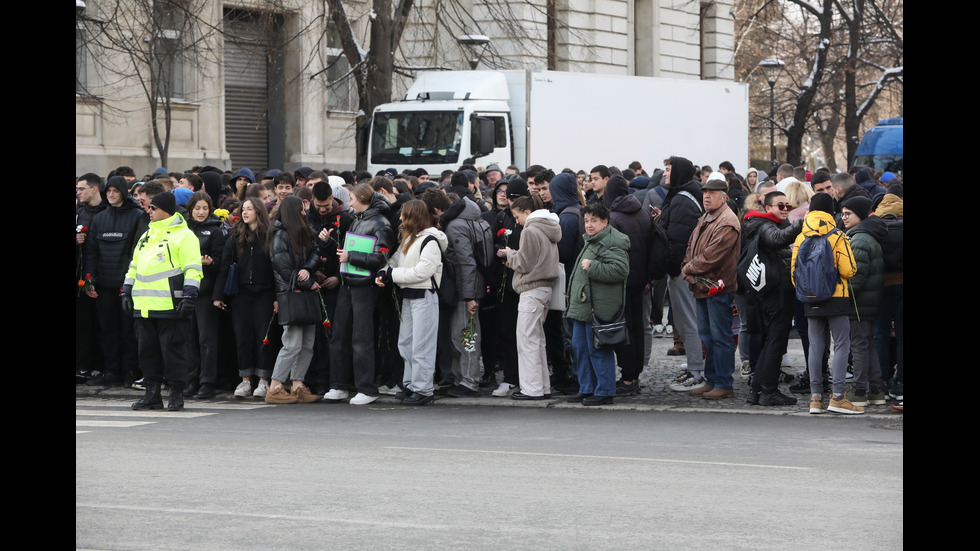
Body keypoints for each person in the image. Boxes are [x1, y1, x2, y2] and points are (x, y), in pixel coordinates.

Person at [124, 192, 203, 411]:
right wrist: (126, 290)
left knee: (174, 354)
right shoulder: (146, 235)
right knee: (147, 354)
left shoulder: (185, 236)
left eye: (153, 208)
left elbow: (193, 268)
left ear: (166, 210)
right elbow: (134, 266)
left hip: (171, 306)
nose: (148, 211)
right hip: (145, 307)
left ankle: (176, 395)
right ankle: (152, 395)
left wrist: (189, 295)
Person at [324, 184, 395, 405]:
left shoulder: (381, 223)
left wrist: (350, 256)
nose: (349, 202)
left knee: (361, 338)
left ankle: (367, 387)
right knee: (339, 336)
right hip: (348, 282)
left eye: (352, 198)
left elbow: (381, 258)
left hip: (365, 286)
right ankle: (339, 384)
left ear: (363, 198)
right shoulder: (359, 219)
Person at [791, 192, 860, 415]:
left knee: (815, 346)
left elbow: (794, 274)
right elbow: (849, 270)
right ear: (831, 211)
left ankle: (815, 398)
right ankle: (838, 397)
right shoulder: (837, 235)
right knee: (841, 344)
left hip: (810, 298)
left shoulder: (801, 237)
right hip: (836, 296)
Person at [375, 200, 447, 406]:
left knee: (421, 344)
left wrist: (391, 274)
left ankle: (423, 389)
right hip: (409, 295)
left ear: (413, 216)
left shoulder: (430, 240)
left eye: (404, 215)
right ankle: (411, 384)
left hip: (424, 296)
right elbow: (395, 260)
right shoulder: (410, 239)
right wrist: (384, 271)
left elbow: (423, 272)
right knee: (406, 342)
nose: (399, 218)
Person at [680, 178, 741, 400]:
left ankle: (724, 383)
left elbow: (713, 256)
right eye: (705, 192)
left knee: (720, 336)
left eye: (712, 193)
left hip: (718, 287)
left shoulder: (727, 221)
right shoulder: (706, 216)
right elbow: (691, 245)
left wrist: (688, 268)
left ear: (723, 197)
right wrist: (688, 267)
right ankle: (713, 380)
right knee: (707, 335)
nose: (706, 196)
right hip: (703, 285)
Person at [741, 191, 803, 406]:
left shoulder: (756, 223)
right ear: (768, 208)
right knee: (776, 343)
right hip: (776, 294)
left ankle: (757, 390)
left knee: (770, 343)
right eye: (780, 205)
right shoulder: (765, 225)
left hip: (766, 293)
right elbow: (777, 239)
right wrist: (801, 224)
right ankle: (769, 391)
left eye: (787, 205)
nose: (785, 209)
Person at [564, 204, 630, 406]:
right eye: (586, 221)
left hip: (599, 308)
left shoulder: (612, 242)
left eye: (594, 220)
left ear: (605, 222)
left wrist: (593, 266)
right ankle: (587, 388)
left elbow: (621, 270)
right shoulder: (592, 240)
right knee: (580, 348)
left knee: (598, 350)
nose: (589, 225)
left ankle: (605, 390)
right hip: (584, 306)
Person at [213, 198, 276, 399]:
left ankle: (263, 379)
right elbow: (225, 266)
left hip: (265, 293)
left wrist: (276, 297)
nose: (245, 212)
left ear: (259, 211)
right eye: (244, 209)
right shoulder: (235, 235)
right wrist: (218, 294)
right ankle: (245, 380)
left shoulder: (269, 235)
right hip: (240, 294)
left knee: (263, 338)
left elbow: (276, 269)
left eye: (250, 208)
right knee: (242, 337)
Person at [500, 195, 561, 400]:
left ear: (526, 212)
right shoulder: (548, 227)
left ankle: (532, 389)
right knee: (537, 340)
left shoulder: (531, 229)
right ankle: (541, 387)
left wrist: (510, 254)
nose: (516, 221)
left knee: (527, 341)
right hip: (544, 288)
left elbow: (524, 263)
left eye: (517, 216)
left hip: (532, 289)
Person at [266, 195, 322, 404]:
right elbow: (283, 267)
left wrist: (308, 269)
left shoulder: (305, 230)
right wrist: (307, 281)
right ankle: (275, 386)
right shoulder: (280, 234)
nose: (304, 212)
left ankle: (297, 384)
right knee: (292, 343)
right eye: (301, 208)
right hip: (291, 293)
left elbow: (315, 252)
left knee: (307, 343)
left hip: (304, 292)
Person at [840, 196, 887, 408]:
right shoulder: (868, 235)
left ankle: (859, 391)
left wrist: (840, 296)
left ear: (860, 214)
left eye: (848, 213)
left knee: (859, 346)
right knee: (867, 344)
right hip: (867, 303)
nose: (843, 217)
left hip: (858, 305)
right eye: (842, 213)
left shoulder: (859, 239)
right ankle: (876, 390)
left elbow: (855, 278)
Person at [184, 191, 227, 399]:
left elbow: (222, 262)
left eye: (205, 208)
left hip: (206, 291)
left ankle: (207, 381)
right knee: (188, 338)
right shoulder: (183, 229)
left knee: (207, 339)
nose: (201, 212)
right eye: (197, 208)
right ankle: (191, 379)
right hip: (185, 290)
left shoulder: (216, 231)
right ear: (190, 209)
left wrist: (211, 263)